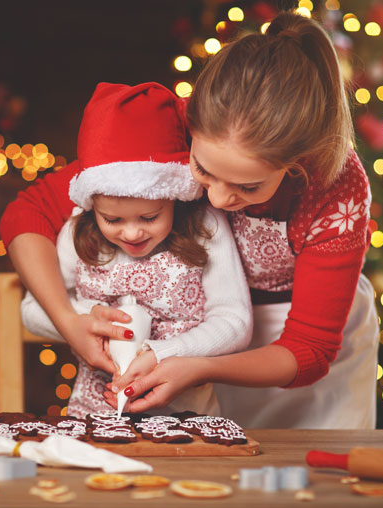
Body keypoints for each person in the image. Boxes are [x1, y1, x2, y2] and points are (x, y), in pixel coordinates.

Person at [0, 11, 379, 429]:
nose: (216, 198)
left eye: (247, 187)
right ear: (191, 126)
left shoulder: (337, 187)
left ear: (295, 165)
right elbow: (27, 212)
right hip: (196, 346)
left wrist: (198, 365)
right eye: (203, 170)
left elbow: (308, 350)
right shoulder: (167, 128)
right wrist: (69, 321)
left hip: (295, 372)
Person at [19, 82, 252, 418]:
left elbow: (235, 321)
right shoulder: (78, 232)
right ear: (91, 205)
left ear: (174, 196)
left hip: (186, 419)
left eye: (149, 216)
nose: (131, 232)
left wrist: (163, 351)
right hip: (93, 419)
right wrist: (81, 319)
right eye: (111, 219)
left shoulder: (205, 227)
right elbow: (31, 310)